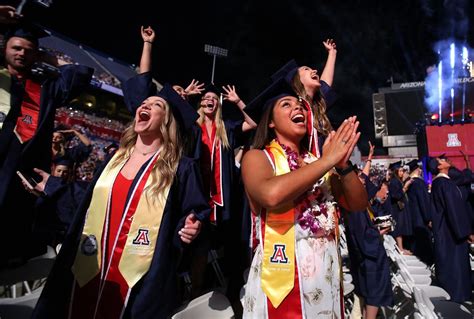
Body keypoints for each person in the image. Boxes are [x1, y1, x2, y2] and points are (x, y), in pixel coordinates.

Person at [32, 73, 211, 318]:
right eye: (144, 103)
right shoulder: (113, 160)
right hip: (91, 267)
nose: (146, 105)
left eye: (156, 104)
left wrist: (190, 225)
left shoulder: (181, 167)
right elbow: (87, 202)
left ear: (167, 121)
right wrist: (53, 186)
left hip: (141, 278)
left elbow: (193, 212)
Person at [241, 77, 366, 318]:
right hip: (284, 271)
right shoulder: (257, 157)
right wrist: (327, 161)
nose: (298, 108)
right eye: (286, 105)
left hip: (325, 271)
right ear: (271, 123)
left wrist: (342, 165)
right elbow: (271, 195)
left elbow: (358, 204)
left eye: (299, 105)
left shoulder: (314, 161)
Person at [0, 16, 94, 265]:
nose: (21, 54)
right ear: (4, 48)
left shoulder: (44, 89)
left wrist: (46, 58)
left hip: (16, 185)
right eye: (16, 48)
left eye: (28, 51)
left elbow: (79, 75)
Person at [270, 39, 338, 157]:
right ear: (297, 80)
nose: (315, 70)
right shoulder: (293, 109)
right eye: (307, 69)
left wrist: (332, 53)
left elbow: (325, 83)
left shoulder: (316, 105)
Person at [427, 155, 473, 303]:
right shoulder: (443, 184)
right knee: (456, 269)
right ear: (439, 167)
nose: (446, 160)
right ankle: (457, 300)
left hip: (445, 233)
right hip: (451, 236)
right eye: (442, 160)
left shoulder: (441, 183)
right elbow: (454, 211)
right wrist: (466, 232)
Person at [405, 159, 433, 264]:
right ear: (417, 169)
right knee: (424, 245)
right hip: (420, 218)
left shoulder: (408, 182)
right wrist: (428, 218)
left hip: (412, 217)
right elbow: (424, 202)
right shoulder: (419, 183)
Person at [387, 161, 413, 255]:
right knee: (398, 228)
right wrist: (405, 187)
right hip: (397, 208)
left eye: (403, 171)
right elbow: (396, 195)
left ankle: (402, 248)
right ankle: (400, 249)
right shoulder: (394, 182)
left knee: (401, 228)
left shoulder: (398, 181)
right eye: (400, 171)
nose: (402, 173)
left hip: (400, 207)